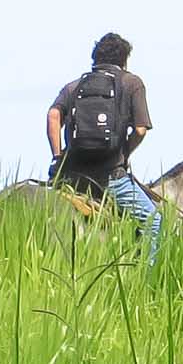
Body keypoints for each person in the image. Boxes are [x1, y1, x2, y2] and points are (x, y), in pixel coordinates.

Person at [44, 32, 160, 260]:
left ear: (95, 59)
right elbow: (140, 130)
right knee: (153, 221)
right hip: (110, 178)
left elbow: (53, 116)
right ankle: (146, 279)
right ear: (124, 60)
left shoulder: (75, 86)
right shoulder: (131, 83)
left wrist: (57, 157)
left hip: (71, 176)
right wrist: (125, 152)